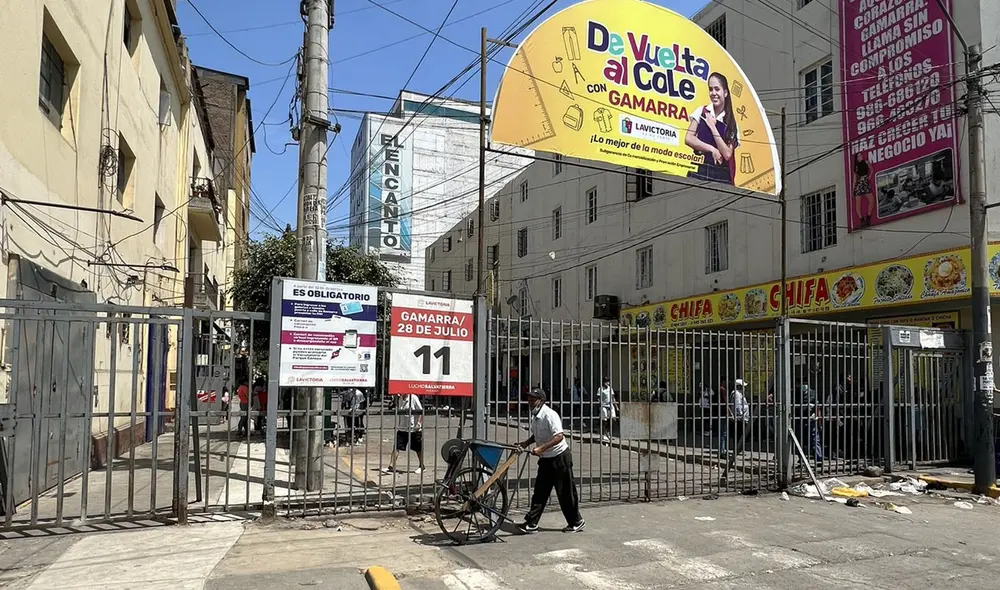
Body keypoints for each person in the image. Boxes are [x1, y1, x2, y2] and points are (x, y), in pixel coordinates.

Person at [517, 388, 585, 534]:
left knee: (565, 492)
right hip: (546, 459)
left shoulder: (550, 415)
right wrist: (525, 443)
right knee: (540, 492)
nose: (530, 403)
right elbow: (537, 435)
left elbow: (559, 436)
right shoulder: (535, 416)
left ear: (541, 401)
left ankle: (576, 521)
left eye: (533, 400)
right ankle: (532, 523)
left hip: (559, 458)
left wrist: (541, 449)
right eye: (529, 400)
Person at [685, 72, 739, 184]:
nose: (713, 93)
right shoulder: (702, 111)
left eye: (717, 89)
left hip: (722, 176)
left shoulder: (731, 122)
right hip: (700, 169)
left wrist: (713, 127)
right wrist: (712, 149)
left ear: (725, 93)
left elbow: (727, 154)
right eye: (710, 89)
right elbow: (688, 138)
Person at [382, 393, 425, 475]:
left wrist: (419, 423)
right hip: (402, 428)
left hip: (413, 429)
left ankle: (422, 466)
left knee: (418, 449)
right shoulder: (400, 399)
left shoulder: (413, 398)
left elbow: (421, 411)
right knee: (396, 447)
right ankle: (391, 466)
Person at [721, 378, 751, 484]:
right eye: (743, 386)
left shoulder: (737, 394)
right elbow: (738, 406)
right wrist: (740, 416)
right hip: (740, 419)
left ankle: (738, 450)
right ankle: (737, 450)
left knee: (739, 435)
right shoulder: (737, 394)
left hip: (740, 418)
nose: (744, 388)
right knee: (740, 435)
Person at [597, 377, 616, 442]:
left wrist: (616, 406)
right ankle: (604, 433)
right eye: (607, 381)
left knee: (613, 419)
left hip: (610, 405)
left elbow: (613, 397)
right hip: (604, 406)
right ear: (603, 382)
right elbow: (598, 397)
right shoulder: (600, 389)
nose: (608, 383)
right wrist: (600, 404)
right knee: (604, 420)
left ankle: (608, 432)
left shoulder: (610, 388)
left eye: (608, 381)